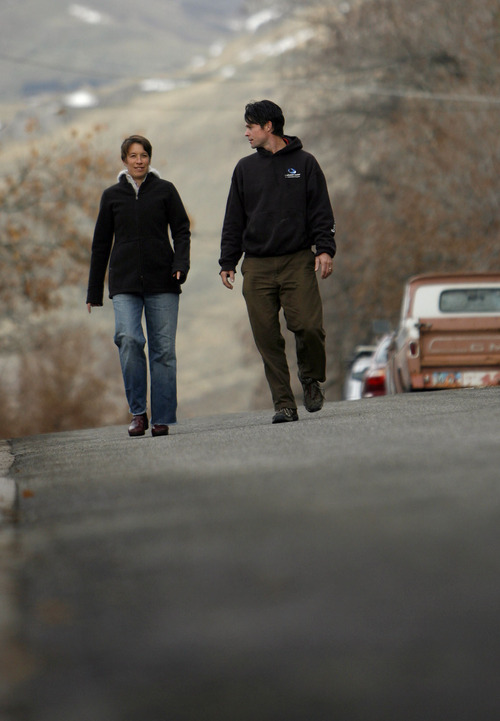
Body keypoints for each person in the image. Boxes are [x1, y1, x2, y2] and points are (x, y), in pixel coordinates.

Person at [219, 100, 336, 423]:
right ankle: (284, 403)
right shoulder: (244, 169)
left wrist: (325, 249)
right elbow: (234, 219)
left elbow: (321, 212)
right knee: (267, 337)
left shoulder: (305, 163)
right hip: (256, 266)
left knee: (309, 327)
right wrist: (228, 260)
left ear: (268, 126)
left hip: (297, 260)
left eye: (250, 127)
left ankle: (310, 378)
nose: (246, 133)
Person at [86, 134, 190, 437]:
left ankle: (162, 417)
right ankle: (138, 413)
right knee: (129, 339)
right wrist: (94, 291)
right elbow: (100, 245)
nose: (139, 160)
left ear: (149, 158)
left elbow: (182, 230)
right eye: (133, 155)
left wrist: (180, 265)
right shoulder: (112, 196)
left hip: (163, 282)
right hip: (125, 284)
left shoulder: (166, 191)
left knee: (163, 351)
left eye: (143, 155)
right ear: (124, 161)